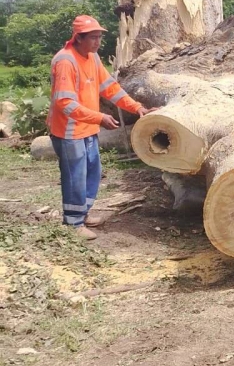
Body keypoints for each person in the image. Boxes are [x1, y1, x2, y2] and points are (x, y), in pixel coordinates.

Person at [48, 15, 155, 240]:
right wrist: (99, 117)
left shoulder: (93, 58)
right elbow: (64, 103)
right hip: (69, 131)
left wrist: (136, 107)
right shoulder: (65, 61)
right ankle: (73, 223)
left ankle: (83, 214)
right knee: (75, 176)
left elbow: (110, 88)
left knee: (92, 173)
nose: (97, 43)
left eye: (99, 37)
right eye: (93, 38)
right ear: (78, 38)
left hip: (87, 128)